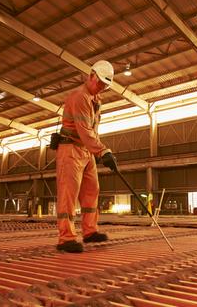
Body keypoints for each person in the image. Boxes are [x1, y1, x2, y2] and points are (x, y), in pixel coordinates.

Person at [55, 60, 118, 253]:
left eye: (105, 86)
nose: (102, 88)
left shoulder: (96, 99)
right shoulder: (80, 97)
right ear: (91, 75)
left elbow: (92, 131)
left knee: (92, 189)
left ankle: (90, 231)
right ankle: (65, 238)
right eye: (100, 83)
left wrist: (98, 151)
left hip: (86, 150)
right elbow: (84, 130)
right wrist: (102, 151)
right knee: (69, 194)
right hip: (71, 149)